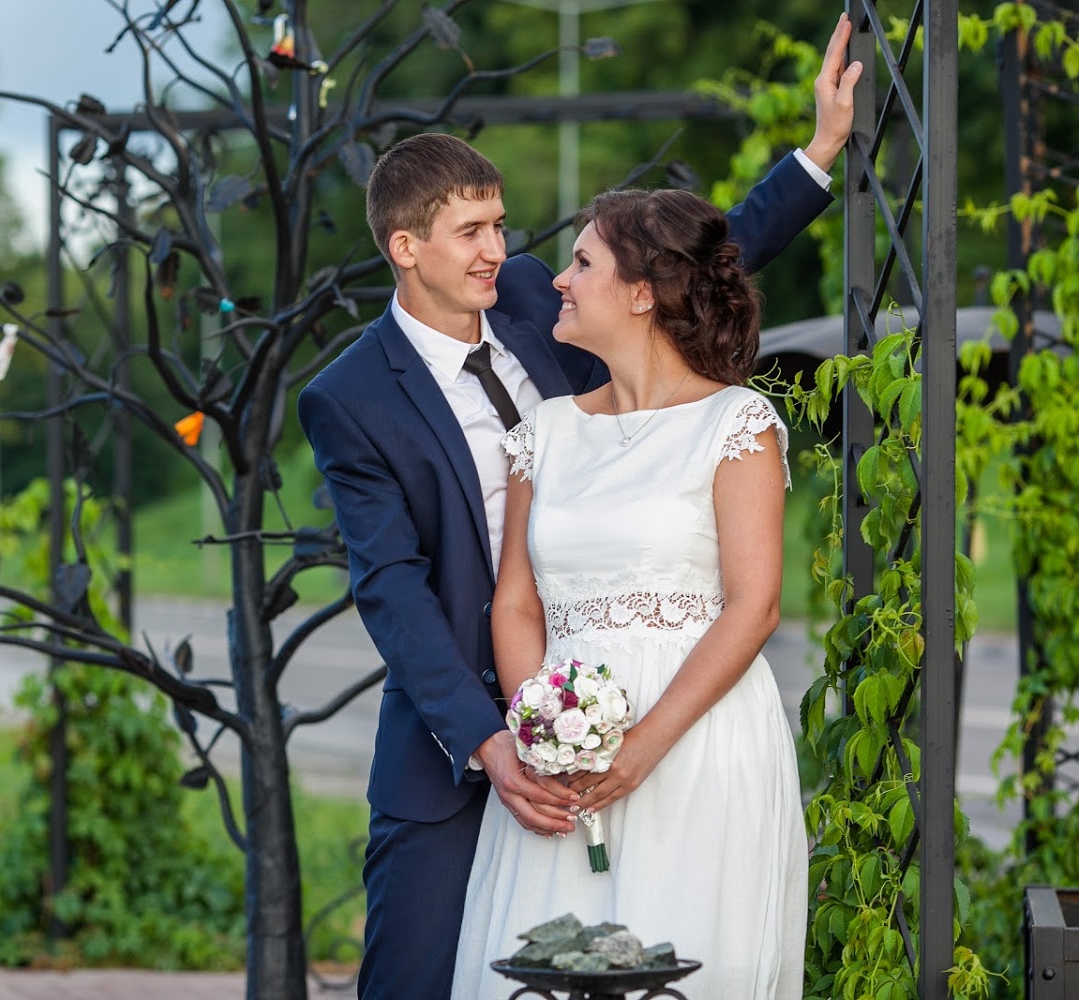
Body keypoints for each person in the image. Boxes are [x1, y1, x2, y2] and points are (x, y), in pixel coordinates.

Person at [297, 18, 859, 1000]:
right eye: (472, 233)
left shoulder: (534, 302)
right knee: (422, 980)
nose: (501, 251)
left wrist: (814, 157)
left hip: (636, 724)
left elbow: (686, 261)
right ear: (406, 246)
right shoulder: (349, 397)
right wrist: (498, 736)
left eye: (501, 226)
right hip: (459, 740)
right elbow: (391, 588)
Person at [450, 186, 804, 999]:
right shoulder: (543, 432)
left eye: (582, 264)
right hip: (564, 765)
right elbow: (517, 604)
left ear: (643, 293)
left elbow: (755, 605)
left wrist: (641, 748)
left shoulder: (735, 424)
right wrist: (541, 732)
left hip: (696, 745)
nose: (558, 283)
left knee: (683, 957)